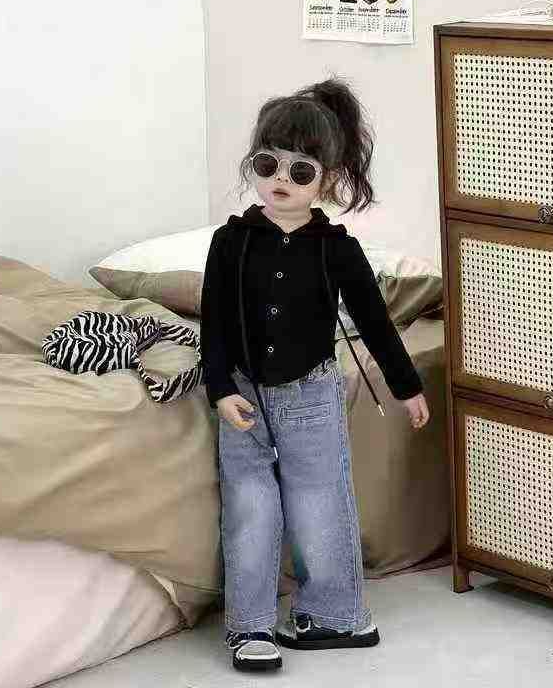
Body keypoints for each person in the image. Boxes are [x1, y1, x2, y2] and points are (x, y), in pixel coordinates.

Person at [200, 76, 430, 673]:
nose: (281, 179)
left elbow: (375, 322)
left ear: (326, 181)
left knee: (319, 500)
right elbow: (214, 322)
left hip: (312, 395)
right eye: (267, 164)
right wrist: (219, 388)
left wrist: (407, 387)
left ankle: (336, 615)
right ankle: (250, 626)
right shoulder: (230, 242)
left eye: (300, 172)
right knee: (249, 505)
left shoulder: (337, 249)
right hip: (243, 394)